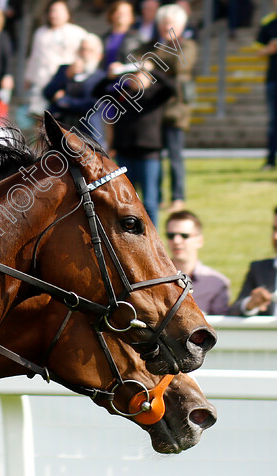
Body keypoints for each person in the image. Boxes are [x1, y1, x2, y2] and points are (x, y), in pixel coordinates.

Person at [93, 60, 174, 225]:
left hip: (149, 152)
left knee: (150, 201)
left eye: (140, 74)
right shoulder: (123, 94)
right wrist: (110, 77)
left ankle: (153, 234)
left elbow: (172, 88)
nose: (136, 78)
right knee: (127, 199)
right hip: (125, 152)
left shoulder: (156, 94)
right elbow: (97, 92)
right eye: (133, 74)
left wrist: (152, 69)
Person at [154, 3, 197, 213]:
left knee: (175, 155)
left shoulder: (187, 45)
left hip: (176, 108)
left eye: (170, 23)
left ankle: (178, 197)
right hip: (155, 109)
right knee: (156, 155)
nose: (166, 27)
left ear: (180, 25)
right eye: (163, 23)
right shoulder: (156, 45)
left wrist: (153, 65)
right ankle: (159, 196)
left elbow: (182, 65)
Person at [24, 0, 87, 115]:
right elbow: (34, 56)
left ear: (67, 13)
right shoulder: (40, 33)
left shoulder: (78, 33)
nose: (54, 14)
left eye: (58, 11)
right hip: (43, 79)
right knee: (40, 116)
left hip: (65, 82)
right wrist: (28, 77)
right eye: (52, 11)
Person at [43, 33, 107, 143]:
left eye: (89, 50)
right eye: (82, 49)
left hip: (87, 130)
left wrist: (62, 101)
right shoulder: (65, 69)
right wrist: (67, 76)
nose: (84, 54)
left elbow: (93, 104)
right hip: (62, 126)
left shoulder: (102, 77)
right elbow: (47, 92)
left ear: (99, 55)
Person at [165, 210, 229, 315]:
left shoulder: (217, 283)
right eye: (171, 235)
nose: (176, 241)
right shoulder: (153, 278)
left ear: (200, 241)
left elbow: (223, 326)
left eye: (184, 235)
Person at [229, 207, 277, 316]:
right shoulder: (259, 269)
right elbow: (233, 312)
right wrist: (250, 304)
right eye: (274, 229)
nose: (275, 236)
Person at [257, 0, 277, 172]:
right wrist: (270, 49)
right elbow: (258, 50)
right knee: (274, 122)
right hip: (273, 78)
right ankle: (270, 160)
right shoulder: (268, 22)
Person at [101, 1, 142, 68]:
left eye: (125, 13)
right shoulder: (103, 39)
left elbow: (140, 61)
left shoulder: (138, 39)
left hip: (127, 77)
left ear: (132, 17)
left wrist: (122, 68)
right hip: (105, 77)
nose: (121, 15)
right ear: (112, 15)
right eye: (119, 12)